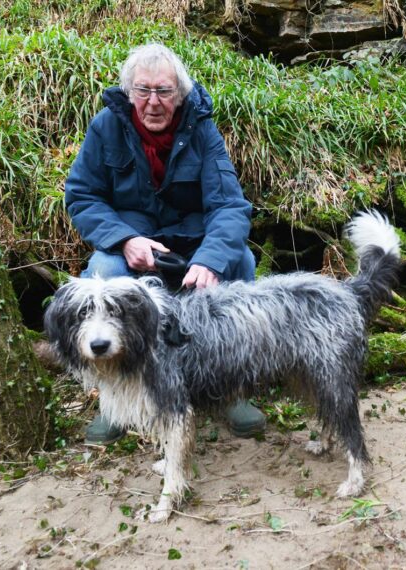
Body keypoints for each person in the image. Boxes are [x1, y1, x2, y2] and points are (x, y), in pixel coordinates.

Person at [65, 43, 265, 443]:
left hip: (192, 247)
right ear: (129, 92)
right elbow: (82, 196)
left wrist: (209, 260)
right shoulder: (105, 126)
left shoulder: (202, 129)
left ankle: (230, 389)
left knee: (239, 261)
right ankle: (115, 400)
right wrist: (124, 240)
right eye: (143, 90)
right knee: (105, 271)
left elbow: (229, 205)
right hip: (133, 248)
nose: (153, 102)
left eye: (164, 91)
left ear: (180, 94)